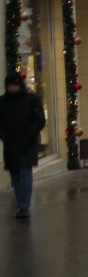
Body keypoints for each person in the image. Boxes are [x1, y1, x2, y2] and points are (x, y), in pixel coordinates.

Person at [0, 72, 46, 219]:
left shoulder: (31, 99)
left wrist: (30, 133)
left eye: (15, 85)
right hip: (10, 143)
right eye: (10, 86)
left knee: (25, 172)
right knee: (15, 174)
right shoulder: (2, 102)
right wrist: (4, 136)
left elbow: (39, 120)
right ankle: (21, 202)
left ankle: (24, 206)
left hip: (27, 143)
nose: (13, 88)